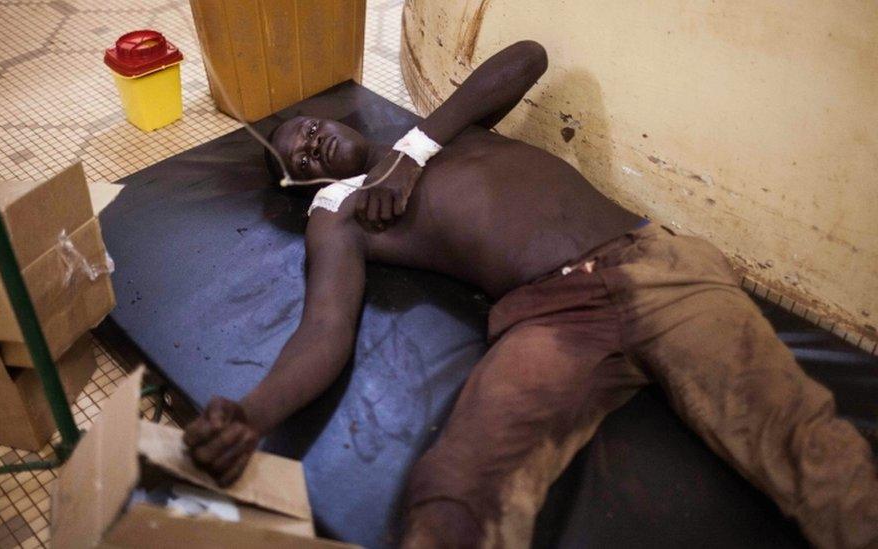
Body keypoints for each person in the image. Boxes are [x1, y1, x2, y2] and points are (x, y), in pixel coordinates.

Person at [182, 41, 878, 548]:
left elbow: (529, 57)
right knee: (456, 487)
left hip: (659, 269)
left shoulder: (434, 129)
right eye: (297, 161)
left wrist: (417, 147)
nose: (308, 147)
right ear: (301, 187)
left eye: (306, 129)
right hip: (550, 319)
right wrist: (253, 411)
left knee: (799, 438)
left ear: (337, 119)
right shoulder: (338, 212)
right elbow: (324, 327)